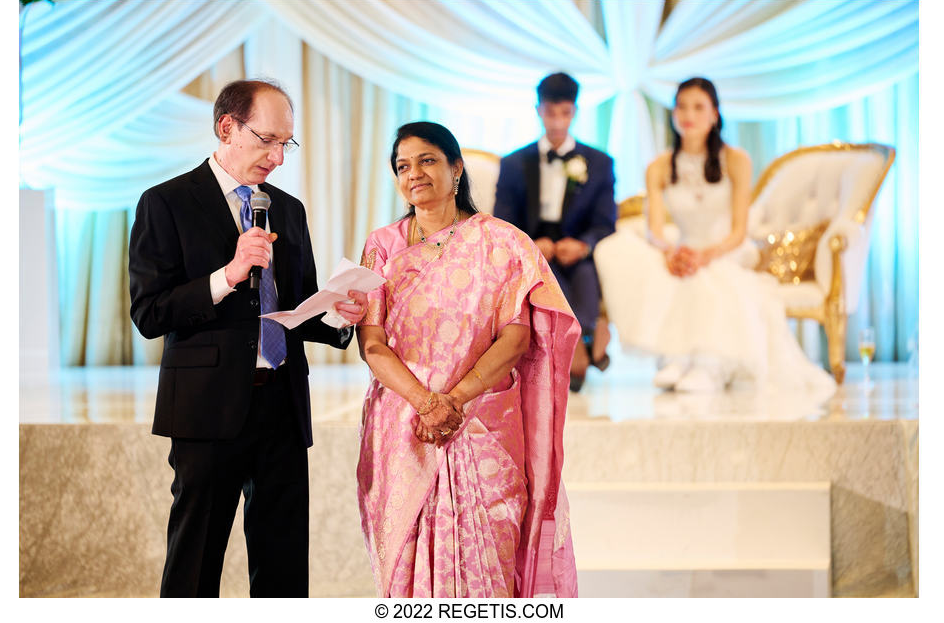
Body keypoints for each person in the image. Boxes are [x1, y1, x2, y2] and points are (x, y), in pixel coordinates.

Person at [128, 79, 369, 597]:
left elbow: (296, 307)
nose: (278, 157)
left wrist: (339, 315)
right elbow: (149, 312)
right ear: (227, 128)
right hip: (207, 410)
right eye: (267, 140)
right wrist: (228, 275)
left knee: (282, 567)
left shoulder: (287, 208)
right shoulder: (166, 203)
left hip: (282, 405)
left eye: (287, 143)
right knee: (195, 562)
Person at [355, 121, 579, 598]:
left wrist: (453, 400)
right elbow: (371, 342)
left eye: (427, 160)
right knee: (406, 568)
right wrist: (426, 402)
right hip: (404, 425)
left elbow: (515, 339)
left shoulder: (504, 244)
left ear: (457, 168)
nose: (414, 173)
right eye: (402, 166)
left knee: (488, 566)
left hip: (482, 424)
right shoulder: (382, 246)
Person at [595, 77, 835, 393]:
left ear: (715, 114)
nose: (688, 114)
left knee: (709, 277)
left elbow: (739, 230)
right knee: (632, 256)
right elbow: (654, 230)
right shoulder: (659, 166)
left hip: (726, 248)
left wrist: (705, 255)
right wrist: (670, 252)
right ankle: (678, 357)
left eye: (698, 107)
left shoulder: (736, 160)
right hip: (682, 249)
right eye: (681, 106)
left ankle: (707, 363)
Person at [493, 72, 617, 391]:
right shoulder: (514, 163)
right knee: (550, 281)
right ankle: (584, 351)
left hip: (575, 247)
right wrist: (531, 245)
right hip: (535, 249)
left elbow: (606, 221)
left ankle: (580, 345)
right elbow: (503, 221)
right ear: (538, 110)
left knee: (586, 278)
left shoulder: (600, 162)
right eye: (551, 113)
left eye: (565, 113)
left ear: (575, 111)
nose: (558, 122)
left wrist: (584, 245)